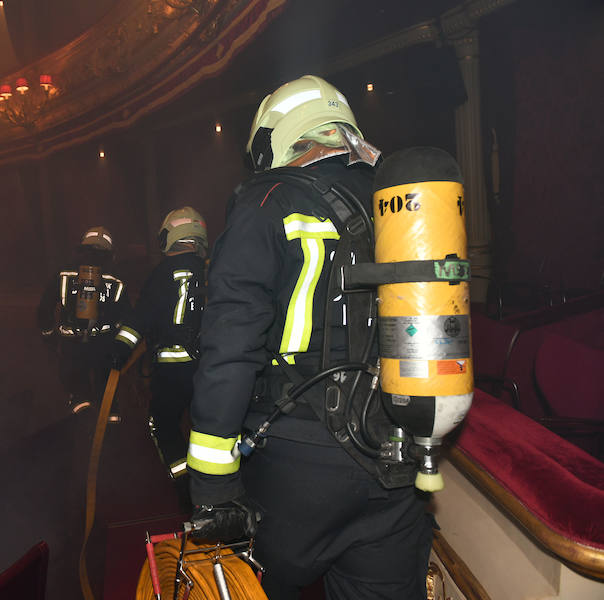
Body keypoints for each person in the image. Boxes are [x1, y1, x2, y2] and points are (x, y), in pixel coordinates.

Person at [185, 75, 434, 599]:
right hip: (395, 458)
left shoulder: (265, 202)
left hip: (296, 469)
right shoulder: (399, 203)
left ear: (274, 139)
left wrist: (211, 487)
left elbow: (230, 349)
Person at [110, 207, 208, 500]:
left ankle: (186, 490)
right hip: (214, 368)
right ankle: (222, 487)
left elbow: (141, 318)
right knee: (213, 427)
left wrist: (119, 349)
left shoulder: (163, 273)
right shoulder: (212, 270)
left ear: (169, 237)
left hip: (174, 371)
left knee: (163, 424)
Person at [37, 226, 129, 414]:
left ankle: (81, 419)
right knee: (106, 392)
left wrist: (49, 336)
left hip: (72, 345)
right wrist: (119, 342)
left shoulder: (63, 274)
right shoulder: (117, 279)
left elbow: (44, 308)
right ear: (110, 252)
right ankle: (110, 423)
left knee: (78, 391)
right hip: (104, 345)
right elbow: (126, 315)